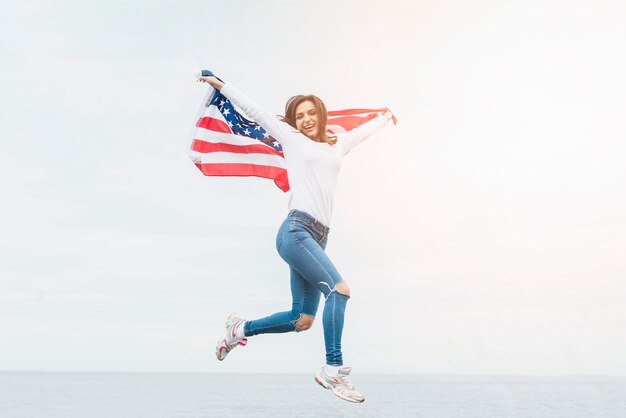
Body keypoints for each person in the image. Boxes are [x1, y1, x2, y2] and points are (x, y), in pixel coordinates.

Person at [198, 72, 394, 403]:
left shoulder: (335, 145)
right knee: (339, 290)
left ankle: (240, 329)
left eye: (310, 114)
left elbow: (359, 134)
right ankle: (334, 369)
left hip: (318, 238)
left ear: (320, 115)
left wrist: (386, 117)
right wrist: (222, 85)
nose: (304, 120)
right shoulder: (291, 139)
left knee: (301, 319)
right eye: (299, 115)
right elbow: (256, 111)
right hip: (296, 230)